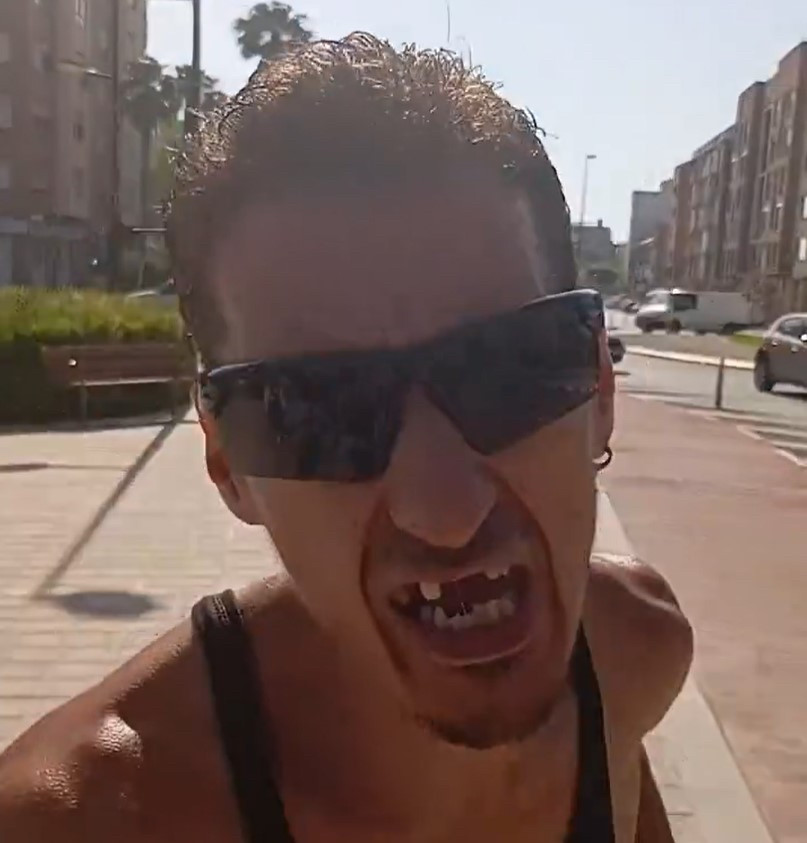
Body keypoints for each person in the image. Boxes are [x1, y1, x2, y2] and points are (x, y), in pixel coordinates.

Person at [0, 33, 692, 842]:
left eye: (510, 368)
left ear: (599, 388)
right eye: (315, 412)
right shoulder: (81, 818)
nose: (445, 512)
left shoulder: (631, 651)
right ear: (226, 461)